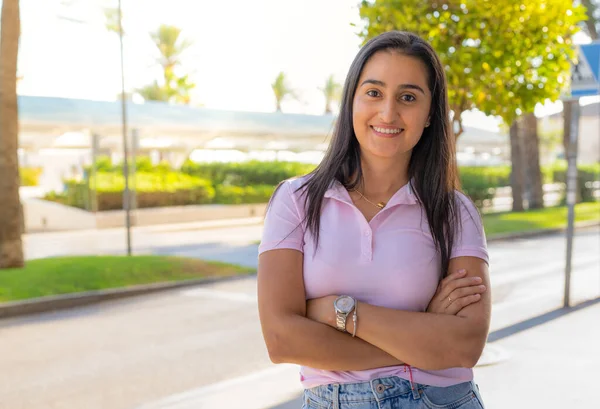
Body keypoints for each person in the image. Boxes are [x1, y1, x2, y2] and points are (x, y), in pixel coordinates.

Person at [257, 31, 491, 409]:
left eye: (408, 97)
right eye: (374, 92)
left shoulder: (453, 211)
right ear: (352, 100)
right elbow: (282, 340)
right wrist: (422, 336)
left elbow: (464, 346)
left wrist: (340, 311)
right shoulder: (296, 201)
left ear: (430, 114)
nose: (388, 113)